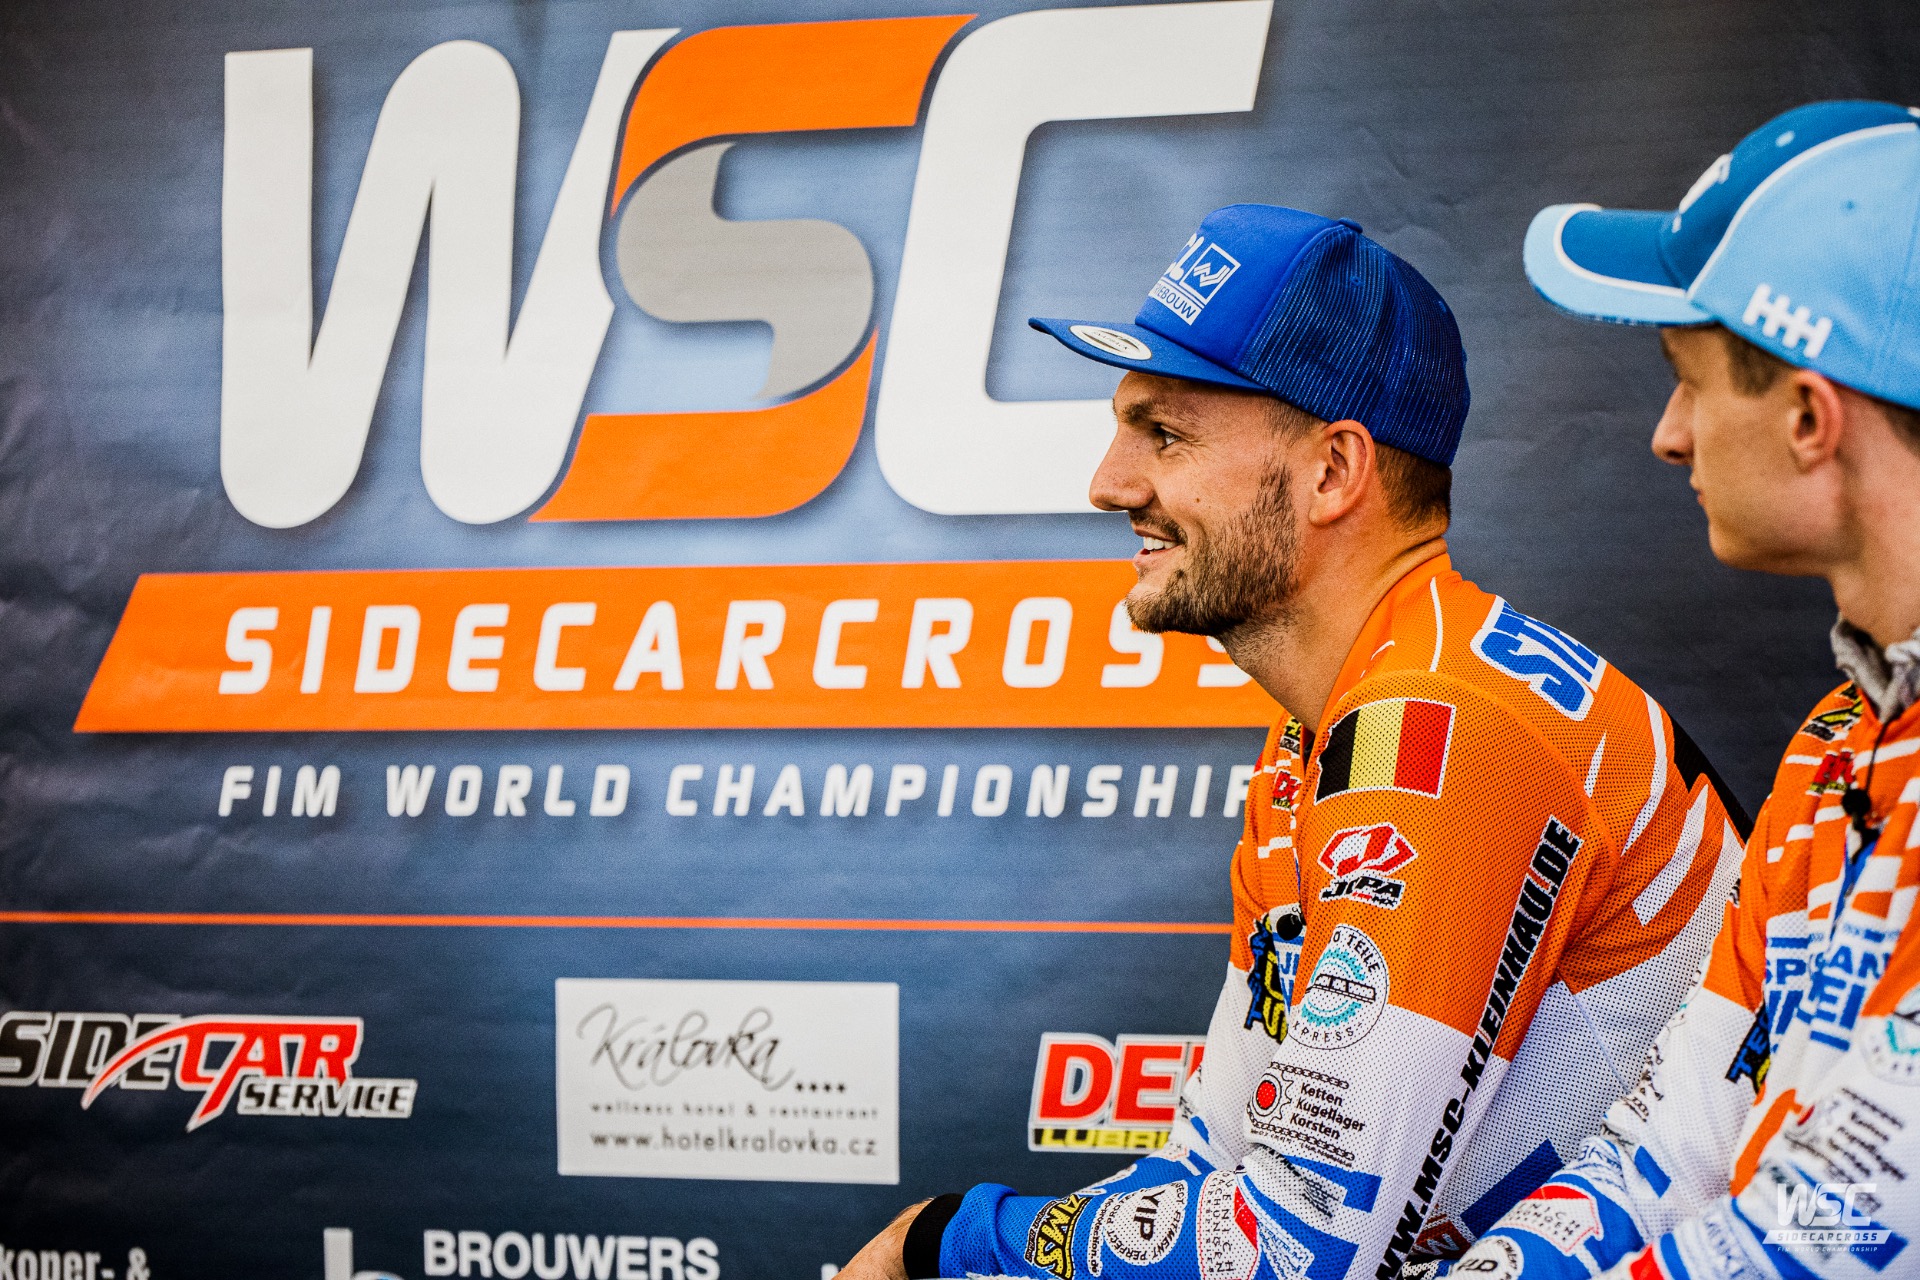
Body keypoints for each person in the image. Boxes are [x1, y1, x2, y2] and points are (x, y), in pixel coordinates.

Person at [838, 204, 1747, 1280]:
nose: (1110, 483)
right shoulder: (1316, 742)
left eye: (1165, 434)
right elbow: (1209, 1162)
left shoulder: (1444, 725)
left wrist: (946, 1239)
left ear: (1332, 471)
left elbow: (1288, 1250)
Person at [1435, 101, 1920, 1280]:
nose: (1665, 435)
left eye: (1687, 382)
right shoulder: (1840, 740)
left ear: (1808, 417)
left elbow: (1846, 1234)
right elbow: (1670, 1139)